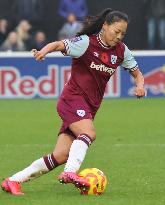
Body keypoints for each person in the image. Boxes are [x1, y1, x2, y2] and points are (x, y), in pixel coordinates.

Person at [1, 8, 146, 196]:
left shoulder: (121, 50)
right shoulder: (86, 43)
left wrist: (140, 85)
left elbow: (137, 73)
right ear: (105, 26)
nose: (119, 36)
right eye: (116, 31)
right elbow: (58, 44)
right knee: (88, 133)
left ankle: (13, 181)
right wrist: (42, 52)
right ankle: (70, 173)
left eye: (123, 33)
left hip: (89, 107)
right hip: (72, 99)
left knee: (60, 155)